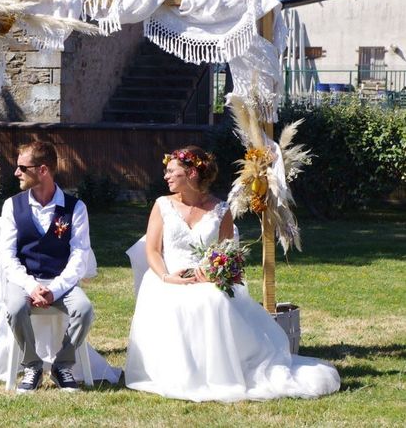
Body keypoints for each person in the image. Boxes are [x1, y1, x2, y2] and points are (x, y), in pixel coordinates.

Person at [124, 145, 341, 402]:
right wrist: (167, 277)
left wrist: (215, 272)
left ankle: (218, 372)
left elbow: (229, 255)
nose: (166, 176)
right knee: (182, 300)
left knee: (212, 298)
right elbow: (152, 251)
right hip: (167, 278)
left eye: (172, 171)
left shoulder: (221, 209)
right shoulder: (162, 205)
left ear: (192, 173)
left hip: (206, 278)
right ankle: (183, 373)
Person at [0, 141, 95, 393]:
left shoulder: (75, 208)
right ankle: (32, 366)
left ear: (42, 170)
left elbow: (79, 256)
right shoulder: (12, 205)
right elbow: (7, 258)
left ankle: (62, 365)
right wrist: (31, 286)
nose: (16, 172)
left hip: (61, 281)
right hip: (24, 280)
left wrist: (56, 289)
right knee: (16, 308)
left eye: (22, 167)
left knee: (84, 310)